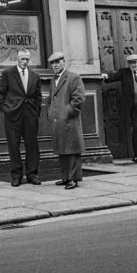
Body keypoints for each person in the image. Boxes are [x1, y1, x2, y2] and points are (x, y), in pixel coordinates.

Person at [0, 48, 42, 187]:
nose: (25, 62)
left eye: (27, 59)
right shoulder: (8, 73)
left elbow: (38, 96)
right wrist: (5, 110)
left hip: (30, 115)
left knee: (32, 145)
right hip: (13, 115)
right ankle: (16, 176)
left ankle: (32, 174)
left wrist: (36, 111)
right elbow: (1, 94)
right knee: (13, 146)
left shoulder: (35, 75)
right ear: (17, 59)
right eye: (22, 59)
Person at [101, 54, 137, 163]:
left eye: (135, 62)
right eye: (131, 63)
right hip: (133, 107)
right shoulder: (124, 73)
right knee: (136, 129)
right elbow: (115, 76)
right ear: (128, 64)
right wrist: (106, 76)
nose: (133, 65)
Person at [47, 51, 86, 190]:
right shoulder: (53, 80)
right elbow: (52, 98)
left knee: (72, 150)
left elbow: (79, 99)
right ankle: (65, 177)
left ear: (64, 62)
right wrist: (51, 112)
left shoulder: (73, 77)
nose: (55, 65)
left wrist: (66, 112)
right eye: (53, 63)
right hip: (58, 120)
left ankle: (74, 179)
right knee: (62, 149)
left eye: (58, 62)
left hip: (69, 120)